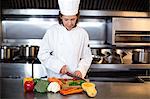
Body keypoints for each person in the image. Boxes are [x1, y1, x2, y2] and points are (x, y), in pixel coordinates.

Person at [37, 0, 92, 79]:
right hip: (55, 79)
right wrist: (58, 66)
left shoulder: (82, 33)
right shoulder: (52, 31)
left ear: (77, 17)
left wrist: (81, 70)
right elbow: (42, 54)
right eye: (66, 19)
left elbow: (87, 57)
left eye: (72, 19)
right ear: (61, 17)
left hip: (74, 80)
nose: (69, 23)